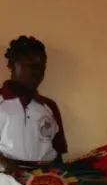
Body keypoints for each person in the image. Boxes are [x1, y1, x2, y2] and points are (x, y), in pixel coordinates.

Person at [0, 36, 68, 175]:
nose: (38, 73)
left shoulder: (49, 106)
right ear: (13, 65)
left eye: (42, 68)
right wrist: (4, 164)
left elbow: (58, 152)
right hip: (6, 177)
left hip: (44, 177)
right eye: (32, 66)